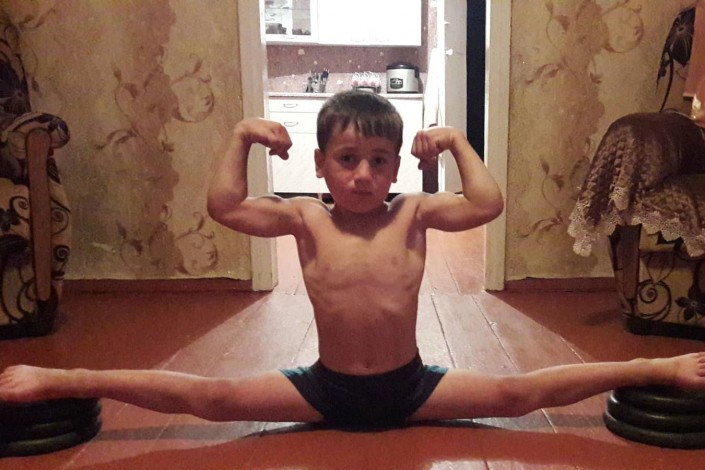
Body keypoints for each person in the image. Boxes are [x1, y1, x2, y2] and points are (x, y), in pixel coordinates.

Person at [1, 90, 705, 428]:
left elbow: (485, 204)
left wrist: (456, 142)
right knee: (210, 400)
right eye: (346, 159)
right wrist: (242, 135)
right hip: (326, 389)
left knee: (516, 396)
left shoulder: (414, 212)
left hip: (410, 386)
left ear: (396, 166)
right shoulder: (306, 218)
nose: (363, 175)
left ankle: (657, 367)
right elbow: (225, 206)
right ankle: (64, 379)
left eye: (378, 160)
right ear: (320, 164)